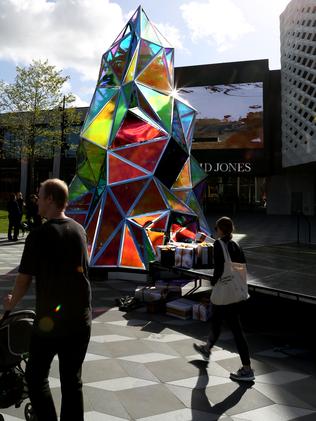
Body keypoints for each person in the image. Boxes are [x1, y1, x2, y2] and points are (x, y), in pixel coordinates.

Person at [3, 178, 92, 421]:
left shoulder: (39, 235)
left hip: (51, 322)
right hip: (81, 319)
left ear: (50, 199)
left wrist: (11, 302)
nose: (37, 200)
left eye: (40, 196)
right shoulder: (79, 229)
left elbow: (24, 278)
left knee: (35, 377)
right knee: (72, 381)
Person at [193, 216, 254, 382]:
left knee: (236, 329)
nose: (215, 231)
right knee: (218, 320)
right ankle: (207, 348)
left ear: (220, 230)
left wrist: (213, 283)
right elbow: (242, 266)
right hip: (236, 291)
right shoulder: (235, 245)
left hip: (226, 292)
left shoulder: (219, 244)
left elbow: (219, 268)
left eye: (216, 228)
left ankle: (247, 368)